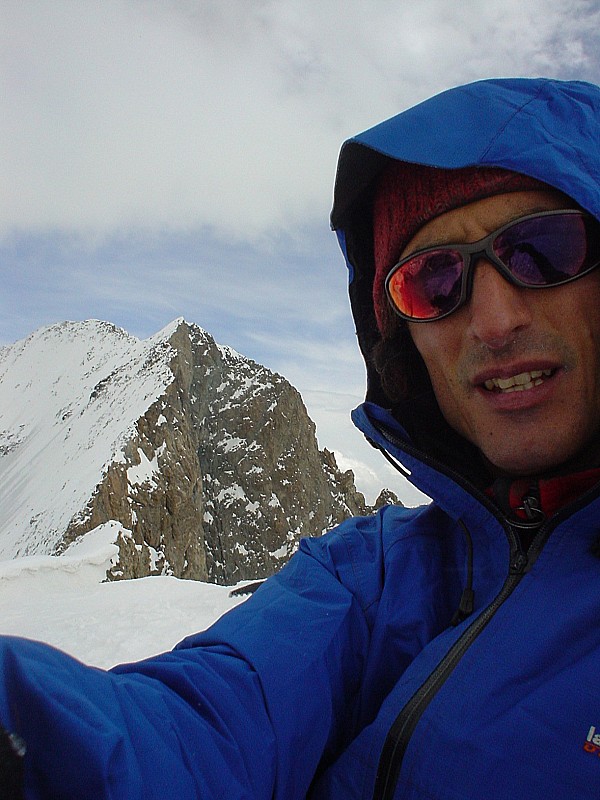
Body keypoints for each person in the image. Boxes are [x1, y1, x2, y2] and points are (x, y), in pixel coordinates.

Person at [2, 76, 600, 799]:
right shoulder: (372, 573)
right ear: (403, 341)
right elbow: (207, 722)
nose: (495, 318)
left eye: (543, 248)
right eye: (434, 281)